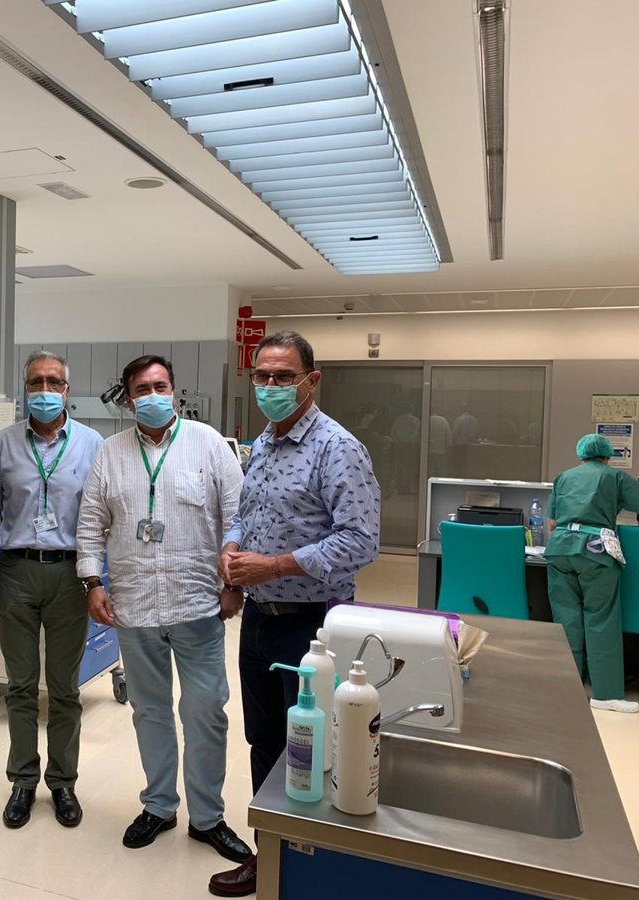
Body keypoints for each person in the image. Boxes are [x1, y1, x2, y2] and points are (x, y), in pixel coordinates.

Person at [211, 331, 380, 897]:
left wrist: (277, 565)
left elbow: (360, 541)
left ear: (312, 380)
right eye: (262, 375)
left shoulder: (337, 448)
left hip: (313, 628)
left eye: (283, 376)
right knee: (264, 741)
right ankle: (272, 856)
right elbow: (246, 513)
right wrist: (233, 553)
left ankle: (313, 865)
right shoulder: (263, 442)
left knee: (312, 749)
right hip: (261, 620)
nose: (271, 386)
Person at [76, 355, 251, 864]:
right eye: (142, 389)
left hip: (198, 605)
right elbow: (91, 522)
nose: (152, 396)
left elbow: (237, 516)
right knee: (149, 711)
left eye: (161, 386)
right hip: (134, 608)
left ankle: (208, 817)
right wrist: (92, 581)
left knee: (206, 711)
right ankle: (159, 805)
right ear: (128, 399)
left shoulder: (208, 444)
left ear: (173, 390)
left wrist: (234, 584)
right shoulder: (110, 453)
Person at [0, 350, 103, 829]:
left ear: (67, 390)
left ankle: (62, 781)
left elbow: (99, 514)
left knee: (64, 687)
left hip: (69, 574)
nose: (45, 390)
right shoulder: (4, 443)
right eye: (36, 382)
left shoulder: (92, 444)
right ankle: (22, 779)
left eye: (54, 382)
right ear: (25, 389)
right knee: (19, 685)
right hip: (14, 571)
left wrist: (96, 577)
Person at [546, 434, 639, 714]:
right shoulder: (614, 477)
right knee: (600, 618)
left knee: (566, 620)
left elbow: (552, 522)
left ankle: (566, 690)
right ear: (607, 455)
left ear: (581, 454)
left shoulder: (563, 478)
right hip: (594, 552)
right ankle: (605, 695)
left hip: (559, 550)